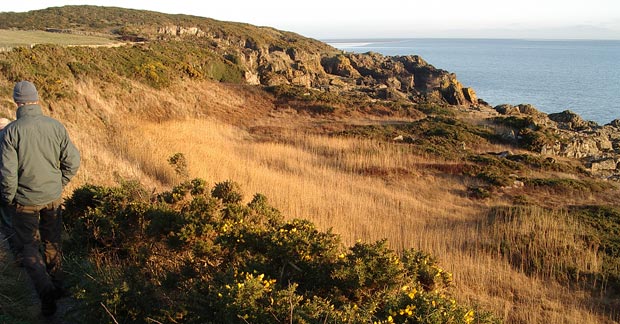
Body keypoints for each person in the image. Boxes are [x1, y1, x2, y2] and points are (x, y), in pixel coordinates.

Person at [0, 81, 81, 317]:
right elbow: (73, 162)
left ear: (17, 102)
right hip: (53, 197)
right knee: (52, 240)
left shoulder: (11, 132)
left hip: (24, 201)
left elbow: (7, 174)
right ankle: (58, 285)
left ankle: (46, 295)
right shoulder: (55, 126)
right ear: (37, 99)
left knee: (28, 246)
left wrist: (9, 198)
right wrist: (60, 183)